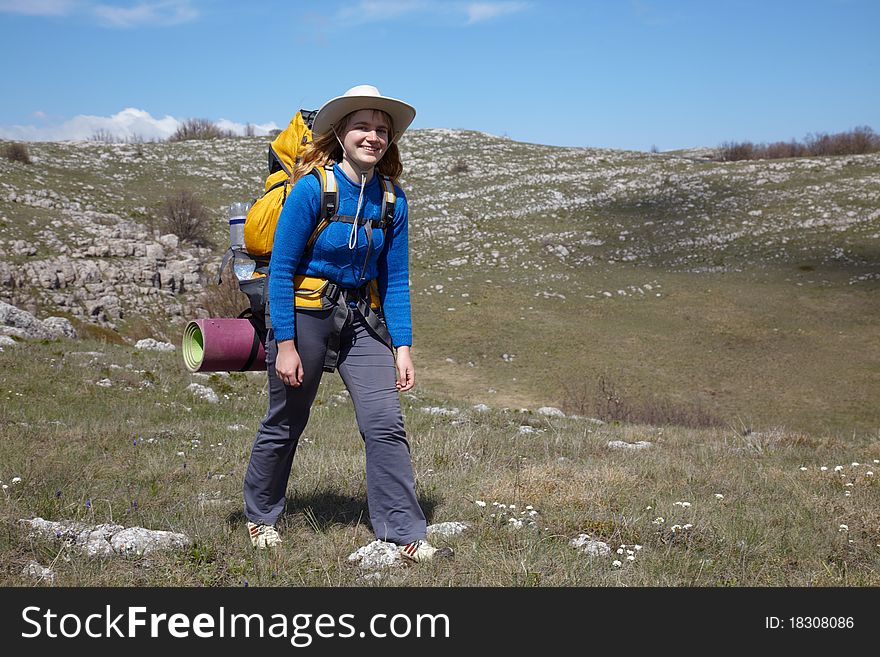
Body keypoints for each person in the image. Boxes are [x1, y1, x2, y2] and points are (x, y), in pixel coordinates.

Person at [242, 85, 452, 563]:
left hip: (361, 320)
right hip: (304, 315)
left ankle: (403, 530)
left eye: (382, 130)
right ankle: (261, 516)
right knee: (287, 420)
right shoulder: (312, 188)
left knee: (385, 425)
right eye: (363, 127)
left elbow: (395, 279)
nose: (373, 137)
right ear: (341, 133)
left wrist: (402, 346)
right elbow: (281, 268)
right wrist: (287, 343)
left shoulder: (392, 200)